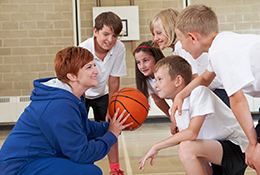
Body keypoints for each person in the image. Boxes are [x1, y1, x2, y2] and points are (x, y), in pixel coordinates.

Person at [0, 46, 132, 175]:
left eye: (94, 65)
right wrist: (111, 134)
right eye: (89, 67)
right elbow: (82, 154)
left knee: (85, 166)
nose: (96, 71)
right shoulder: (60, 104)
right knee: (90, 172)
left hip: (37, 157)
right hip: (18, 167)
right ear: (72, 76)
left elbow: (82, 127)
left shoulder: (69, 95)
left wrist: (113, 127)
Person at [172, 4, 260, 172]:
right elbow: (205, 78)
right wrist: (181, 95)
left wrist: (252, 142)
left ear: (193, 37)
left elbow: (238, 101)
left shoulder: (221, 52)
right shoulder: (220, 44)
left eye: (181, 41)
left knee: (256, 156)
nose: (181, 47)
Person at [139, 55, 248, 175]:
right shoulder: (173, 110)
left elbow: (192, 133)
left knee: (186, 146)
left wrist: (156, 146)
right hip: (214, 155)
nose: (155, 85)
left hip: (237, 149)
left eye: (160, 79)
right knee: (186, 144)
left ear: (178, 81)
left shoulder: (199, 92)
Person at [150, 8, 230, 107]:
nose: (155, 38)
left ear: (170, 29)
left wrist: (181, 96)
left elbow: (194, 76)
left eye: (159, 33)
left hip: (218, 92)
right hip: (211, 90)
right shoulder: (176, 48)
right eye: (154, 34)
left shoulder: (181, 46)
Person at [78, 11, 127, 175]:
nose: (110, 40)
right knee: (80, 131)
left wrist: (110, 107)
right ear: (95, 31)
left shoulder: (119, 48)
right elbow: (79, 82)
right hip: (81, 94)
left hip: (103, 94)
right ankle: (82, 166)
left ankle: (115, 170)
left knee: (111, 127)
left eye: (114, 36)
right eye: (106, 34)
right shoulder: (83, 49)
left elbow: (114, 80)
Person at [133, 41, 178, 134]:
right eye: (138, 62)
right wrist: (172, 118)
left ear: (156, 58)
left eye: (146, 60)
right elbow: (158, 100)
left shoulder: (168, 73)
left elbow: (177, 97)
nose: (142, 66)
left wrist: (175, 119)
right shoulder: (148, 79)